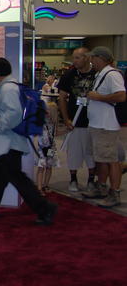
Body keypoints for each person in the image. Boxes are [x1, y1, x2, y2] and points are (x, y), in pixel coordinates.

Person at [0, 58, 58, 225]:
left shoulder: (8, 89)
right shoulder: (9, 87)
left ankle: (44, 208)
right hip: (3, 142)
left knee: (16, 177)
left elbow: (14, 114)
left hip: (8, 142)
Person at [83, 47, 126, 208]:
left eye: (92, 58)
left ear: (100, 58)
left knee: (111, 160)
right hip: (97, 124)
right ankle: (101, 187)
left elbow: (121, 96)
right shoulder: (100, 74)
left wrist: (99, 97)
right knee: (101, 159)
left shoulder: (112, 74)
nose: (91, 61)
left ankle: (114, 193)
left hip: (106, 125)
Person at [57, 47, 96, 192]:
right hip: (75, 121)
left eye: (77, 57)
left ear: (87, 58)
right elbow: (62, 98)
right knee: (73, 152)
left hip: (93, 121)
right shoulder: (69, 75)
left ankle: (91, 180)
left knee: (91, 153)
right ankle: (73, 179)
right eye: (73, 58)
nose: (74, 61)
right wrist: (66, 119)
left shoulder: (97, 74)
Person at [35, 102, 60, 195]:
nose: (47, 112)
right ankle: (39, 188)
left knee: (49, 167)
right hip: (42, 148)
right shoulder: (41, 122)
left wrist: (67, 130)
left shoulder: (53, 123)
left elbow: (56, 134)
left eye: (49, 110)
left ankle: (45, 185)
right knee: (41, 168)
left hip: (51, 147)